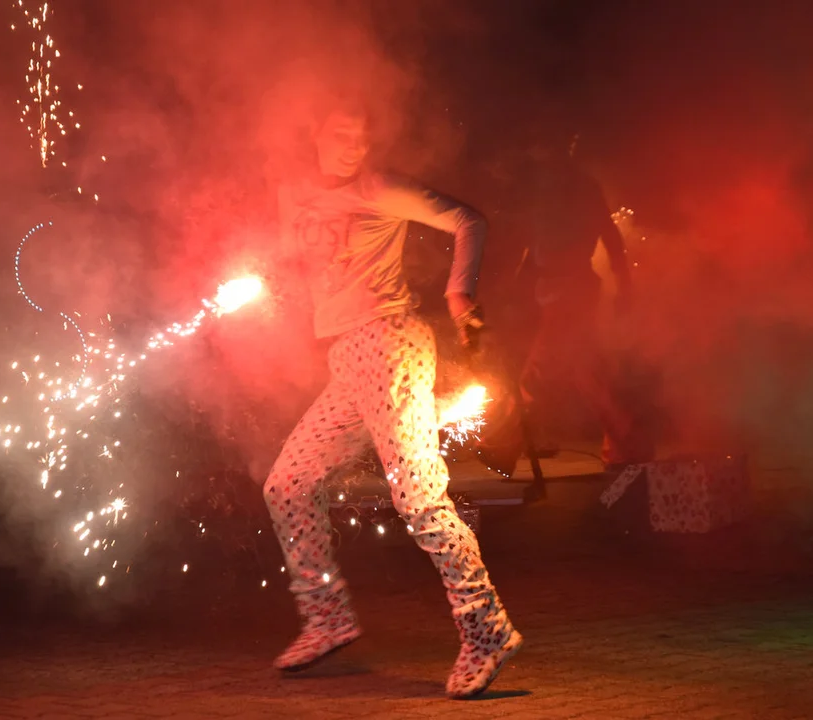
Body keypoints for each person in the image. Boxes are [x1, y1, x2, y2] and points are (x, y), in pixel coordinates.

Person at [262, 96, 522, 699]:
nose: (352, 146)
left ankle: (486, 630)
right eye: (341, 132)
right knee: (288, 484)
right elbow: (296, 265)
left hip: (390, 344)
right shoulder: (293, 196)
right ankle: (327, 618)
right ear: (316, 134)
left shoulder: (378, 187)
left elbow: (468, 219)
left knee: (418, 499)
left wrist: (461, 296)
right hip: (346, 360)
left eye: (362, 135)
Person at [518, 133, 644, 467]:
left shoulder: (578, 186)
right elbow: (535, 242)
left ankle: (500, 442)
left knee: (543, 369)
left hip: (571, 288)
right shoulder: (546, 187)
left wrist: (626, 286)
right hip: (558, 288)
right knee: (582, 370)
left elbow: (610, 236)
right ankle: (625, 441)